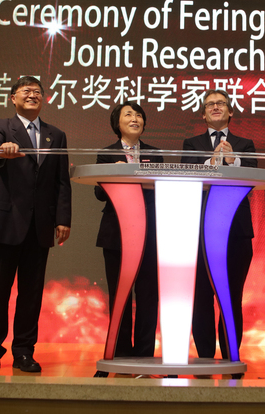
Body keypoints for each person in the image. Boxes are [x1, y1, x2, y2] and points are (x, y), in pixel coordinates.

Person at [0, 76, 72, 373]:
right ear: (13, 98)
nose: (32, 95)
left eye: (37, 92)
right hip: (7, 223)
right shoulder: (3, 127)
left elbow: (61, 181)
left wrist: (62, 219)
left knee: (31, 293)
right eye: (26, 91)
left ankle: (23, 352)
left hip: (40, 225)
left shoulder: (56, 135)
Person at [181, 89, 257, 360]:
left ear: (230, 111)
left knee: (231, 296)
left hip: (236, 231)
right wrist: (213, 161)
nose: (216, 107)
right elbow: (186, 174)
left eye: (221, 103)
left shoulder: (245, 143)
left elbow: (251, 177)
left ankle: (230, 356)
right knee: (201, 296)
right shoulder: (191, 143)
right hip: (199, 232)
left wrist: (232, 159)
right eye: (210, 104)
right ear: (203, 114)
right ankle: (203, 358)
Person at [94, 102, 163, 357]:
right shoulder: (106, 153)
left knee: (148, 294)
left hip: (149, 233)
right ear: (117, 123)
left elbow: (160, 190)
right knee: (120, 294)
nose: (135, 118)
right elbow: (99, 192)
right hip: (117, 235)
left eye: (139, 115)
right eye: (128, 114)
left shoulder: (155, 154)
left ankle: (144, 352)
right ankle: (121, 352)